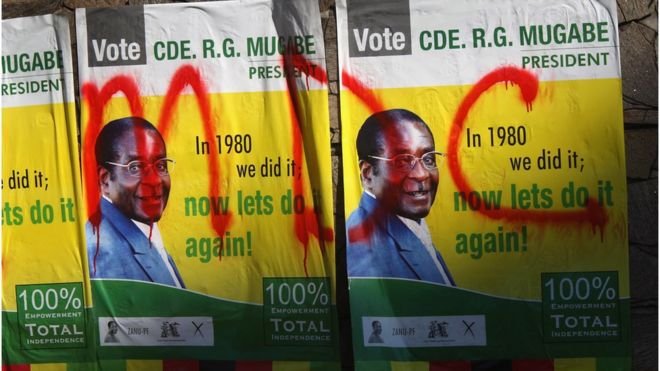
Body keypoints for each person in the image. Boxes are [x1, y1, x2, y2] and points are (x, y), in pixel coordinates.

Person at [346, 109, 455, 285]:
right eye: (402, 161)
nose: (421, 175)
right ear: (367, 174)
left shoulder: (409, 225)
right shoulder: (364, 249)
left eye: (428, 159)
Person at [86, 117, 185, 288]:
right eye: (136, 167)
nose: (154, 181)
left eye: (161, 166)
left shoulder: (142, 231)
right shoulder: (104, 254)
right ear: (105, 180)